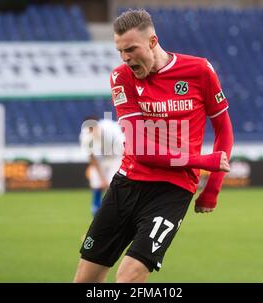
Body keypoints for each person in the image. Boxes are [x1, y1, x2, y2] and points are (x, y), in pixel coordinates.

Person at [74, 9, 233, 283]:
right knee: (85, 281)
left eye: (131, 49)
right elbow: (141, 150)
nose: (125, 58)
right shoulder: (121, 78)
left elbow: (224, 128)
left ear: (152, 41)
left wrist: (213, 188)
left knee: (128, 278)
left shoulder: (199, 70)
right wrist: (203, 161)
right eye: (120, 51)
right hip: (127, 185)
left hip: (172, 191)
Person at [79, 116, 124, 216]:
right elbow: (92, 158)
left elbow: (123, 148)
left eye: (93, 128)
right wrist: (101, 178)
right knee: (96, 183)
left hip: (115, 157)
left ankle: (117, 211)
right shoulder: (85, 136)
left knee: (114, 184)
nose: (91, 131)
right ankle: (96, 214)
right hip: (100, 159)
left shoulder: (111, 128)